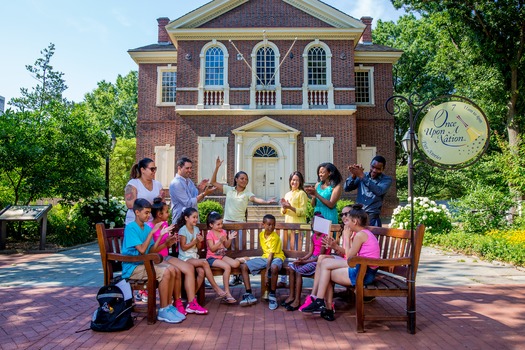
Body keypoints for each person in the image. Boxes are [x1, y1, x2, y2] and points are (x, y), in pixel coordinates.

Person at [301, 204, 380, 321]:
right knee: (323, 261)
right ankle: (318, 299)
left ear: (355, 221)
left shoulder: (360, 235)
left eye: (348, 220)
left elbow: (349, 258)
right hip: (361, 267)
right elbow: (350, 258)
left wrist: (346, 238)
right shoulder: (363, 233)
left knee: (325, 267)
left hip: (363, 272)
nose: (346, 222)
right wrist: (337, 245)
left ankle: (319, 300)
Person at [210, 156, 277, 286]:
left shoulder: (247, 193)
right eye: (242, 178)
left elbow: (256, 199)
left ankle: (239, 275)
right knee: (228, 250)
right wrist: (217, 167)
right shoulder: (228, 189)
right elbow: (213, 182)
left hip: (240, 224)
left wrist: (267, 202)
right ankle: (232, 275)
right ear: (236, 179)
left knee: (239, 250)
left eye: (246, 179)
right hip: (227, 224)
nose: (244, 180)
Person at [121, 198, 185, 324]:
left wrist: (166, 243)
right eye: (146, 212)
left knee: (171, 269)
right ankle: (163, 309)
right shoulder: (131, 228)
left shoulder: (146, 227)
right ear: (137, 212)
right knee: (166, 271)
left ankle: (168, 306)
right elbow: (142, 250)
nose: (148, 215)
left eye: (149, 212)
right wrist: (153, 233)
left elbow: (152, 250)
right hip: (132, 267)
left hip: (144, 263)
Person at [148, 197, 204, 316]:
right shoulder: (149, 228)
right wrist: (166, 243)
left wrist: (171, 241)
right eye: (167, 212)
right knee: (177, 271)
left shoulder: (164, 224)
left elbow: (165, 246)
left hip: (165, 257)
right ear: (159, 214)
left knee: (188, 268)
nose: (168, 214)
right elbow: (151, 251)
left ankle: (191, 303)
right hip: (155, 259)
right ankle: (177, 302)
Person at [176, 207, 228, 309]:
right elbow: (183, 247)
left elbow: (199, 247)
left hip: (194, 257)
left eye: (197, 217)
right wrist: (195, 241)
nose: (196, 219)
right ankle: (216, 288)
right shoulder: (183, 230)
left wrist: (199, 242)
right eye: (193, 217)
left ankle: (191, 299)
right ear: (186, 218)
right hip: (185, 258)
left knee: (201, 272)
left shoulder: (196, 229)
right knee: (204, 263)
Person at [281, 213, 331, 311]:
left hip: (320, 262)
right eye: (313, 225)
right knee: (292, 267)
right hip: (312, 259)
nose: (314, 228)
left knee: (299, 271)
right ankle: (291, 296)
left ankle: (297, 300)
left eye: (316, 225)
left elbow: (318, 257)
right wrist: (302, 259)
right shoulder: (313, 237)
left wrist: (304, 262)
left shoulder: (325, 238)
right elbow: (310, 252)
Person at [239, 214, 285, 310]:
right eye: (268, 224)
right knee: (244, 266)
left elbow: (271, 256)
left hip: (277, 257)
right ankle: (249, 293)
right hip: (265, 258)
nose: (271, 227)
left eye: (273, 225)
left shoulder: (275, 237)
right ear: (263, 225)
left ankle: (272, 295)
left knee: (274, 267)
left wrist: (266, 275)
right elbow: (266, 255)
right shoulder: (261, 235)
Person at [344, 155, 393, 227]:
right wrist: (353, 175)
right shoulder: (363, 175)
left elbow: (379, 191)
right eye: (373, 167)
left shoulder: (386, 180)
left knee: (371, 238)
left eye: (378, 169)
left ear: (383, 169)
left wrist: (361, 176)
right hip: (358, 217)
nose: (374, 170)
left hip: (372, 219)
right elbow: (347, 188)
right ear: (370, 165)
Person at [205, 211, 239, 304]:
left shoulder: (223, 232)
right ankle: (227, 293)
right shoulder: (210, 234)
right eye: (218, 224)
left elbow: (226, 246)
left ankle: (241, 259)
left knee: (236, 264)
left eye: (221, 223)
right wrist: (219, 241)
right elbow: (212, 249)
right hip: (212, 258)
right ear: (211, 225)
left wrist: (230, 238)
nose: (221, 226)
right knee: (227, 267)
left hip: (222, 256)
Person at [169, 156, 216, 224]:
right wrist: (204, 194)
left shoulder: (189, 181)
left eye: (191, 168)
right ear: (179, 168)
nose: (190, 170)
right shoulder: (176, 183)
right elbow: (188, 204)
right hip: (181, 222)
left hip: (193, 221)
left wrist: (200, 189)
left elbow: (196, 199)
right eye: (187, 168)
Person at [124, 158, 165, 226]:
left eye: (155, 169)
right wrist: (155, 202)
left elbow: (163, 206)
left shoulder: (158, 185)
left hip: (152, 224)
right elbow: (130, 204)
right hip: (134, 224)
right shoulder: (133, 184)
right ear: (142, 170)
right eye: (152, 169)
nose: (154, 171)